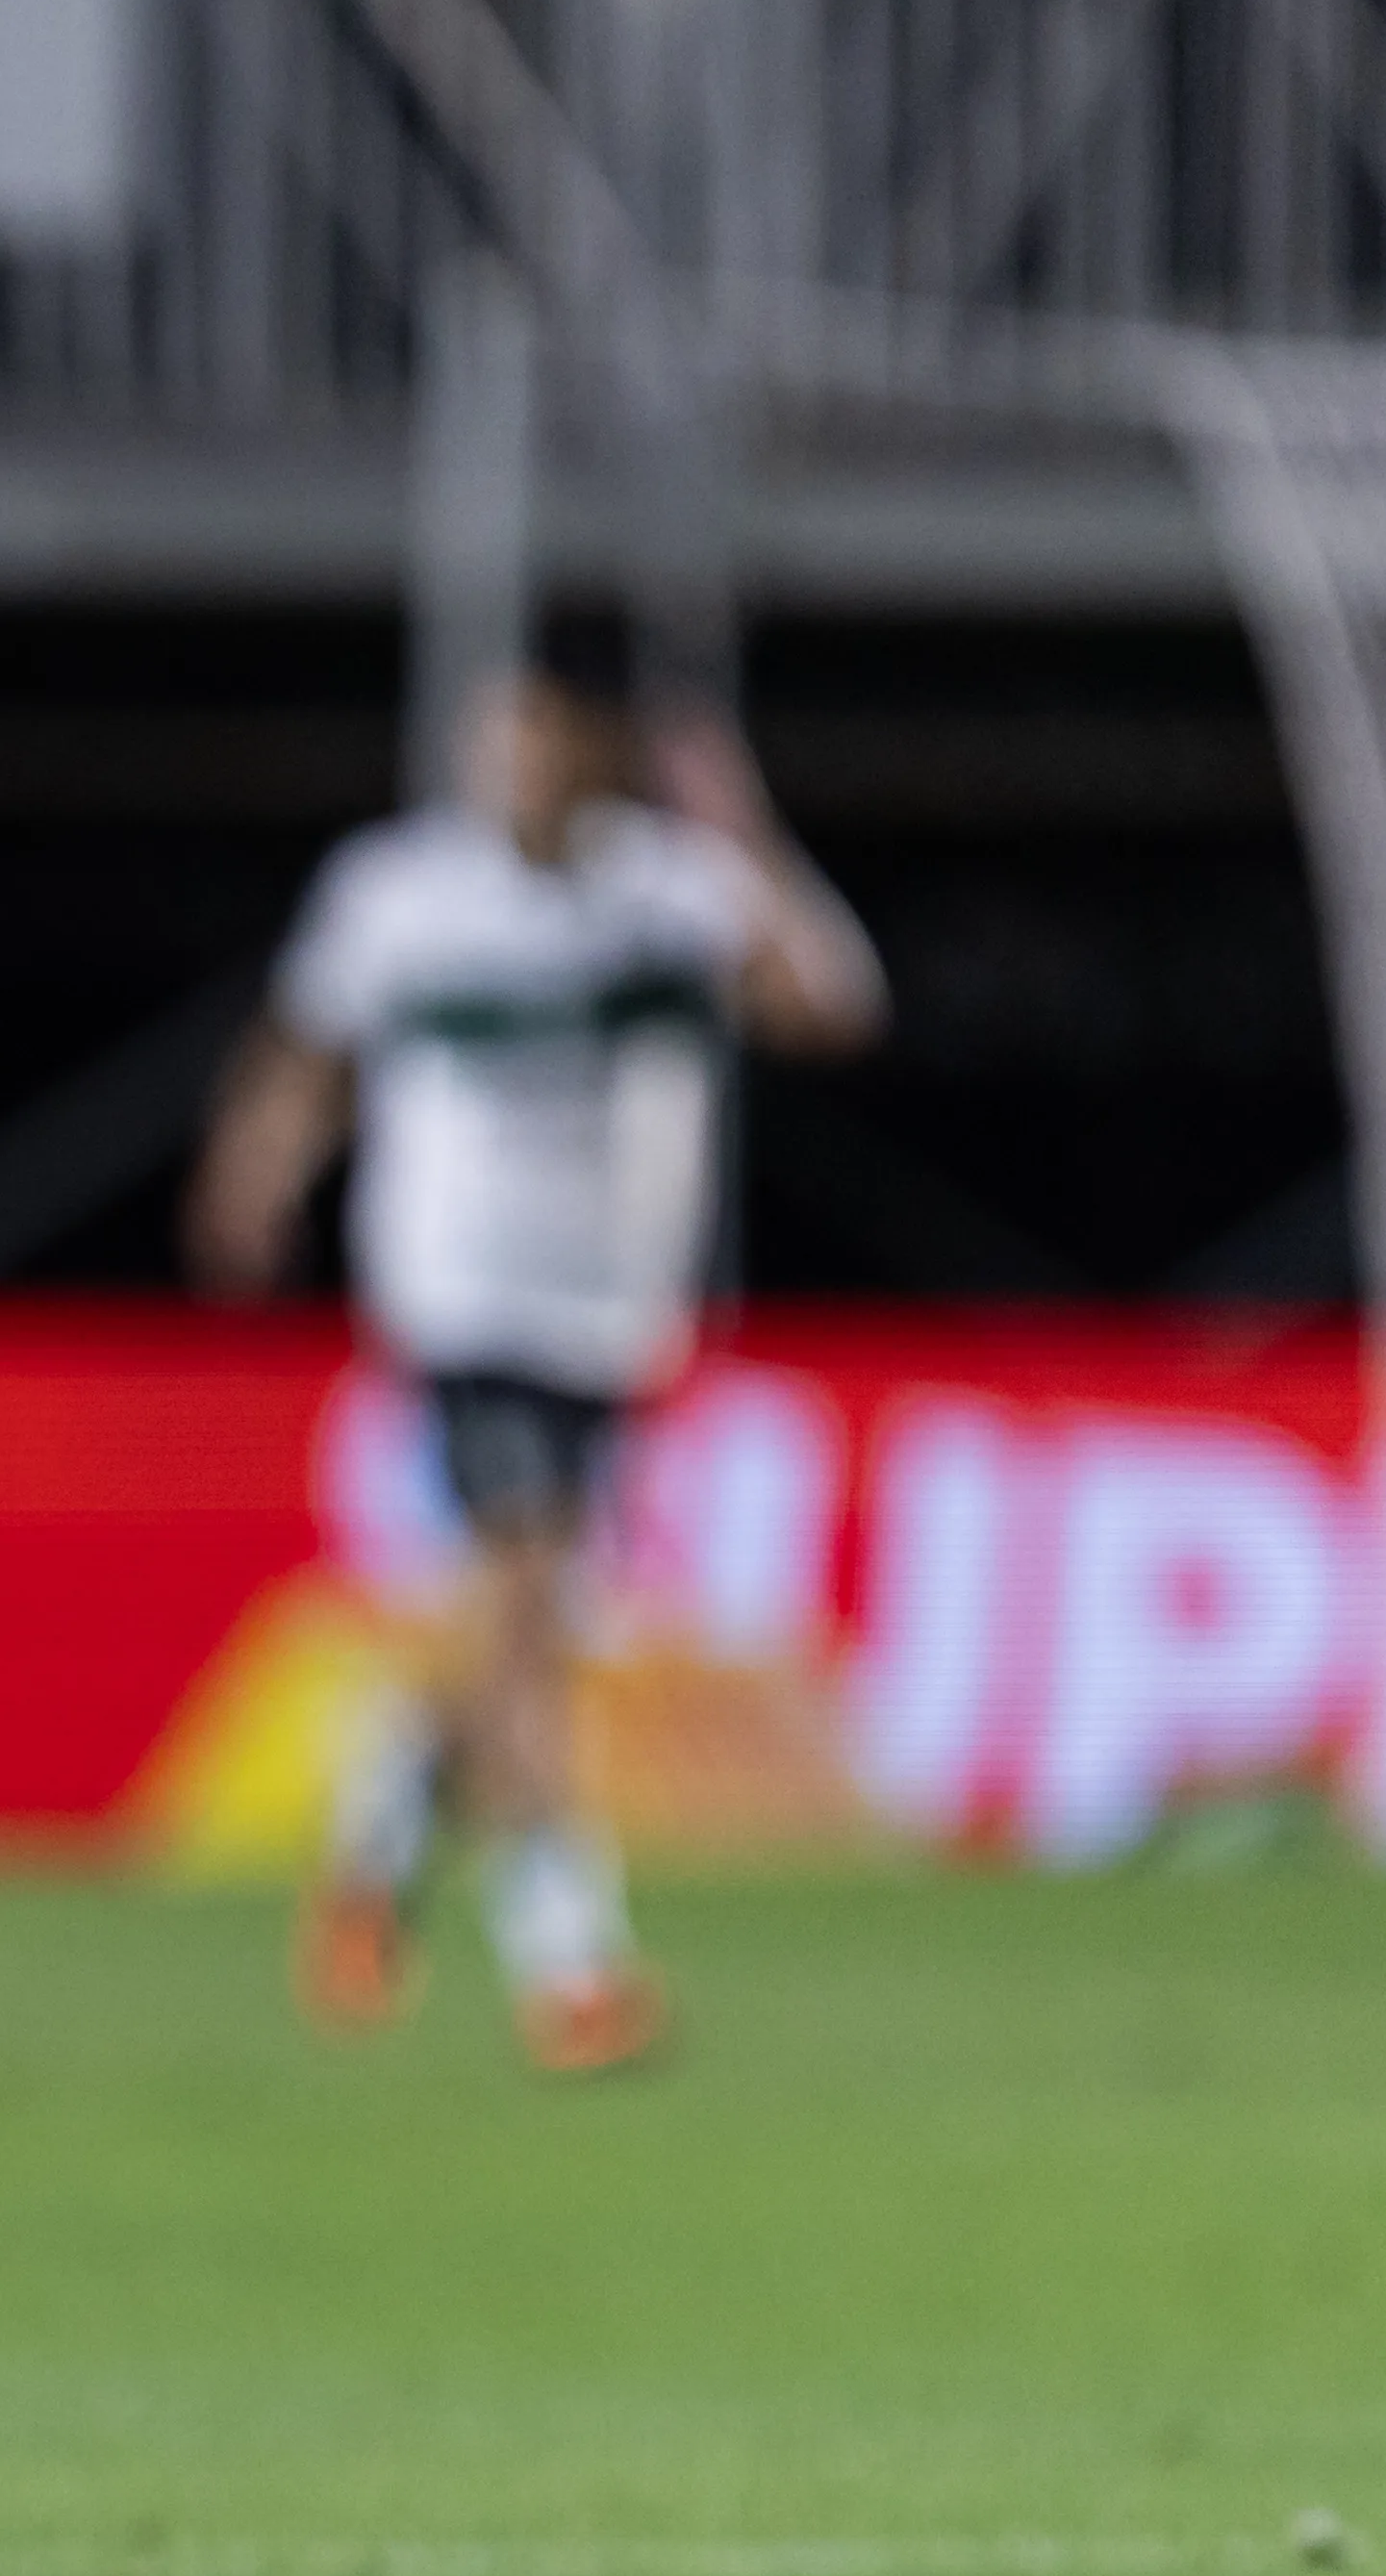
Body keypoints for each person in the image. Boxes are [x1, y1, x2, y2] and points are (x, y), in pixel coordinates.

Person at [183, 622, 885, 2070]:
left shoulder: (673, 891)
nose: (514, 762)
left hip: (610, 1310)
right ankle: (571, 1962)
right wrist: (258, 1165)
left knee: (522, 1612)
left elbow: (830, 1008)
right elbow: (308, 1048)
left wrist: (742, 832)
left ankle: (383, 1822)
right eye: (497, 735)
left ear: (598, 749)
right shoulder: (404, 895)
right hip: (460, 1294)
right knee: (524, 1620)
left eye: (544, 733)